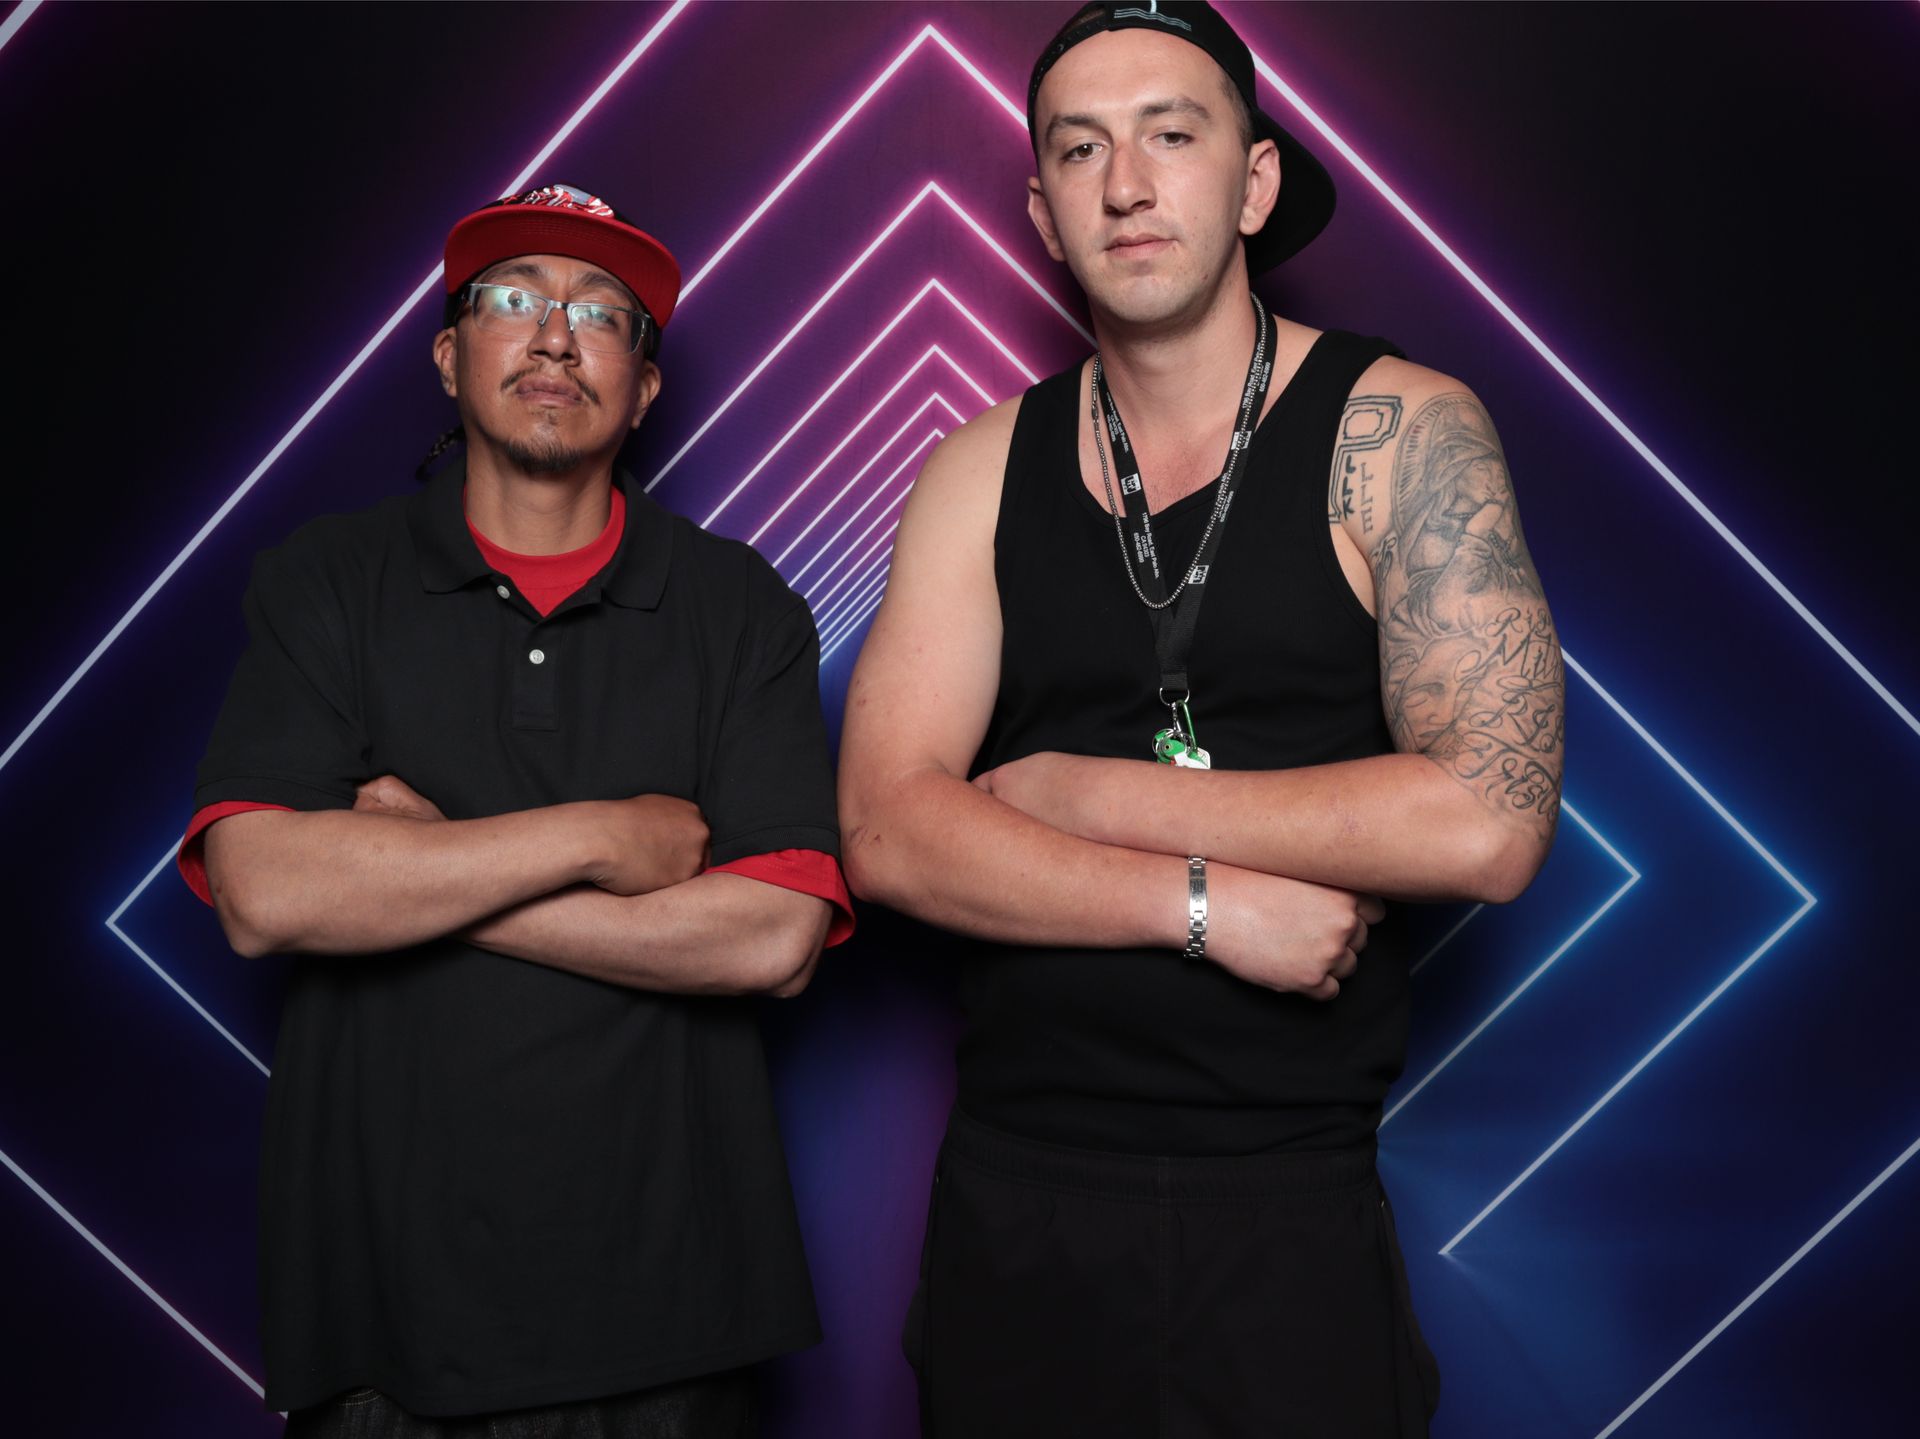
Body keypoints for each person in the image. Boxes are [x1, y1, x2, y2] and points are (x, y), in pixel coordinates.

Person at [838, 4, 1563, 1435]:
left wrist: (1087, 791)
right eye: (1080, 150)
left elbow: (1490, 817)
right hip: (1018, 1202)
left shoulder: (1401, 428)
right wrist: (1202, 908)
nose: (1126, 183)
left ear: (1254, 181)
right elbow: (886, 830)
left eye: (1172, 134)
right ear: (1042, 215)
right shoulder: (979, 468)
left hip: (1284, 1209)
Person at [176, 182, 854, 1437]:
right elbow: (264, 894)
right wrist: (600, 837)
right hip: (385, 1329)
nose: (553, 335)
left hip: (673, 1326)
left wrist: (424, 864)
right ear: (449, 357)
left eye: (601, 314)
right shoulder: (327, 580)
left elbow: (773, 937)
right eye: (512, 299)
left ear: (644, 388)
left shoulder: (739, 606)